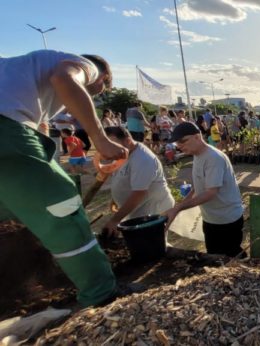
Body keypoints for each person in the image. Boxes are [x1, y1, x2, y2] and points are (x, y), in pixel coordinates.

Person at [0, 50, 127, 307]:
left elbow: (40, 125)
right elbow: (64, 79)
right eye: (102, 88)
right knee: (62, 203)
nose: (97, 93)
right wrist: (100, 139)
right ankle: (102, 293)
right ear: (101, 76)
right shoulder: (85, 65)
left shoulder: (19, 71)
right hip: (7, 131)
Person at [165, 122, 245, 257]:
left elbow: (210, 193)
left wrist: (179, 208)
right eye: (177, 143)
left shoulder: (213, 158)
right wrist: (180, 205)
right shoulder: (197, 155)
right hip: (211, 218)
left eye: (182, 141)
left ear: (197, 136)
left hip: (226, 219)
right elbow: (198, 186)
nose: (179, 146)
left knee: (231, 259)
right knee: (213, 257)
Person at [102, 126, 174, 235]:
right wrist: (115, 199)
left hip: (151, 210)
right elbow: (119, 177)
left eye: (113, 144)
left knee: (151, 245)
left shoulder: (143, 159)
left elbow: (138, 193)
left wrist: (115, 220)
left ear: (128, 141)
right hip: (137, 209)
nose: (110, 149)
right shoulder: (121, 154)